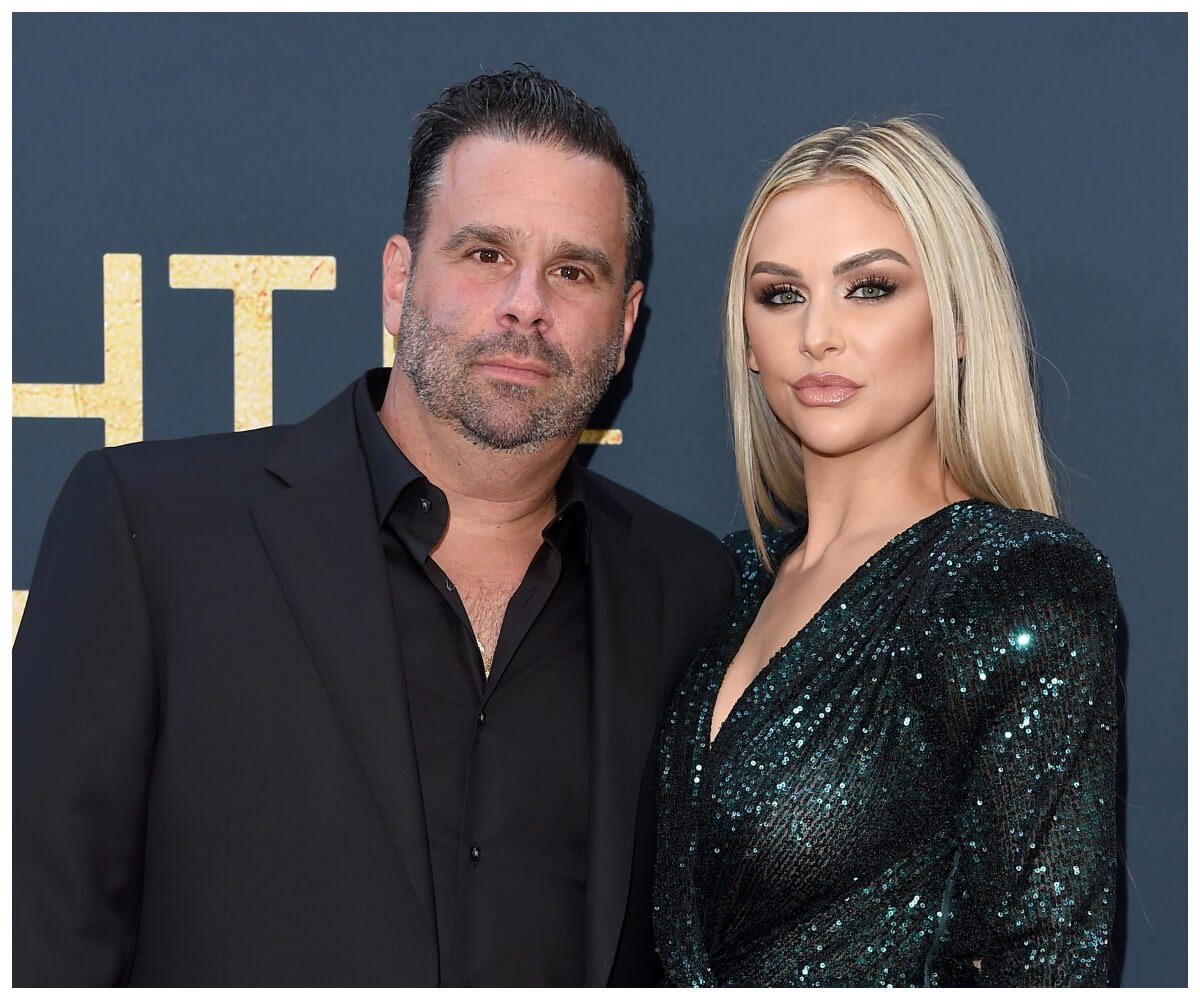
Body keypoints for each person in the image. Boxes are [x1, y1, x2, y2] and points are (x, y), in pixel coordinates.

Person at [13, 67, 735, 987]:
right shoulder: (152, 527)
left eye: (573, 270)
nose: (526, 304)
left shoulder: (686, 588)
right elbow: (41, 927)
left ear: (626, 324)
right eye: (483, 255)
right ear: (399, 281)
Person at [653, 118, 1119, 987]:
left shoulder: (1015, 586)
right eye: (780, 295)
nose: (817, 335)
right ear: (747, 343)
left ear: (960, 320)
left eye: (868, 288)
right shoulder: (717, 585)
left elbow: (1044, 961)